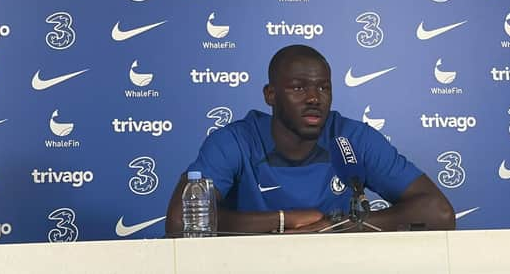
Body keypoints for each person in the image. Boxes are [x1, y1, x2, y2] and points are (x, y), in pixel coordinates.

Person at [166, 45, 455, 234]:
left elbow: (439, 214)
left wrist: (334, 227)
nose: (314, 98)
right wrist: (285, 221)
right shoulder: (234, 141)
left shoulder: (352, 138)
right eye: (298, 87)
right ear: (270, 95)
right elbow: (182, 222)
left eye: (323, 88)